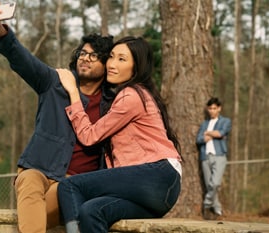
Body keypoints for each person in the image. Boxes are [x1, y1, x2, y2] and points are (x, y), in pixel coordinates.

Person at [0, 2, 114, 233]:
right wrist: (0, 32)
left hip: (74, 185)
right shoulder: (55, 83)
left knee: (51, 203)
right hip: (38, 172)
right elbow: (23, 60)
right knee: (29, 178)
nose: (85, 58)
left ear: (107, 65)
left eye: (94, 56)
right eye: (83, 53)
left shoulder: (112, 105)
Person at [56, 36, 183, 233]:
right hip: (161, 192)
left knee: (69, 186)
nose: (111, 64)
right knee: (92, 211)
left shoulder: (131, 95)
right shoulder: (135, 94)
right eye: (112, 57)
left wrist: (73, 92)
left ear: (137, 67)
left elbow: (89, 136)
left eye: (121, 59)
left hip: (157, 175)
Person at [196, 97, 231, 218]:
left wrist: (208, 133)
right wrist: (209, 134)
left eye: (214, 108)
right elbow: (199, 139)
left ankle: (206, 204)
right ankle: (217, 210)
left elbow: (221, 133)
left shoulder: (225, 121)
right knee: (208, 184)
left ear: (219, 108)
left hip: (219, 155)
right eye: (210, 108)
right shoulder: (204, 124)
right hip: (205, 157)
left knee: (215, 184)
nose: (212, 111)